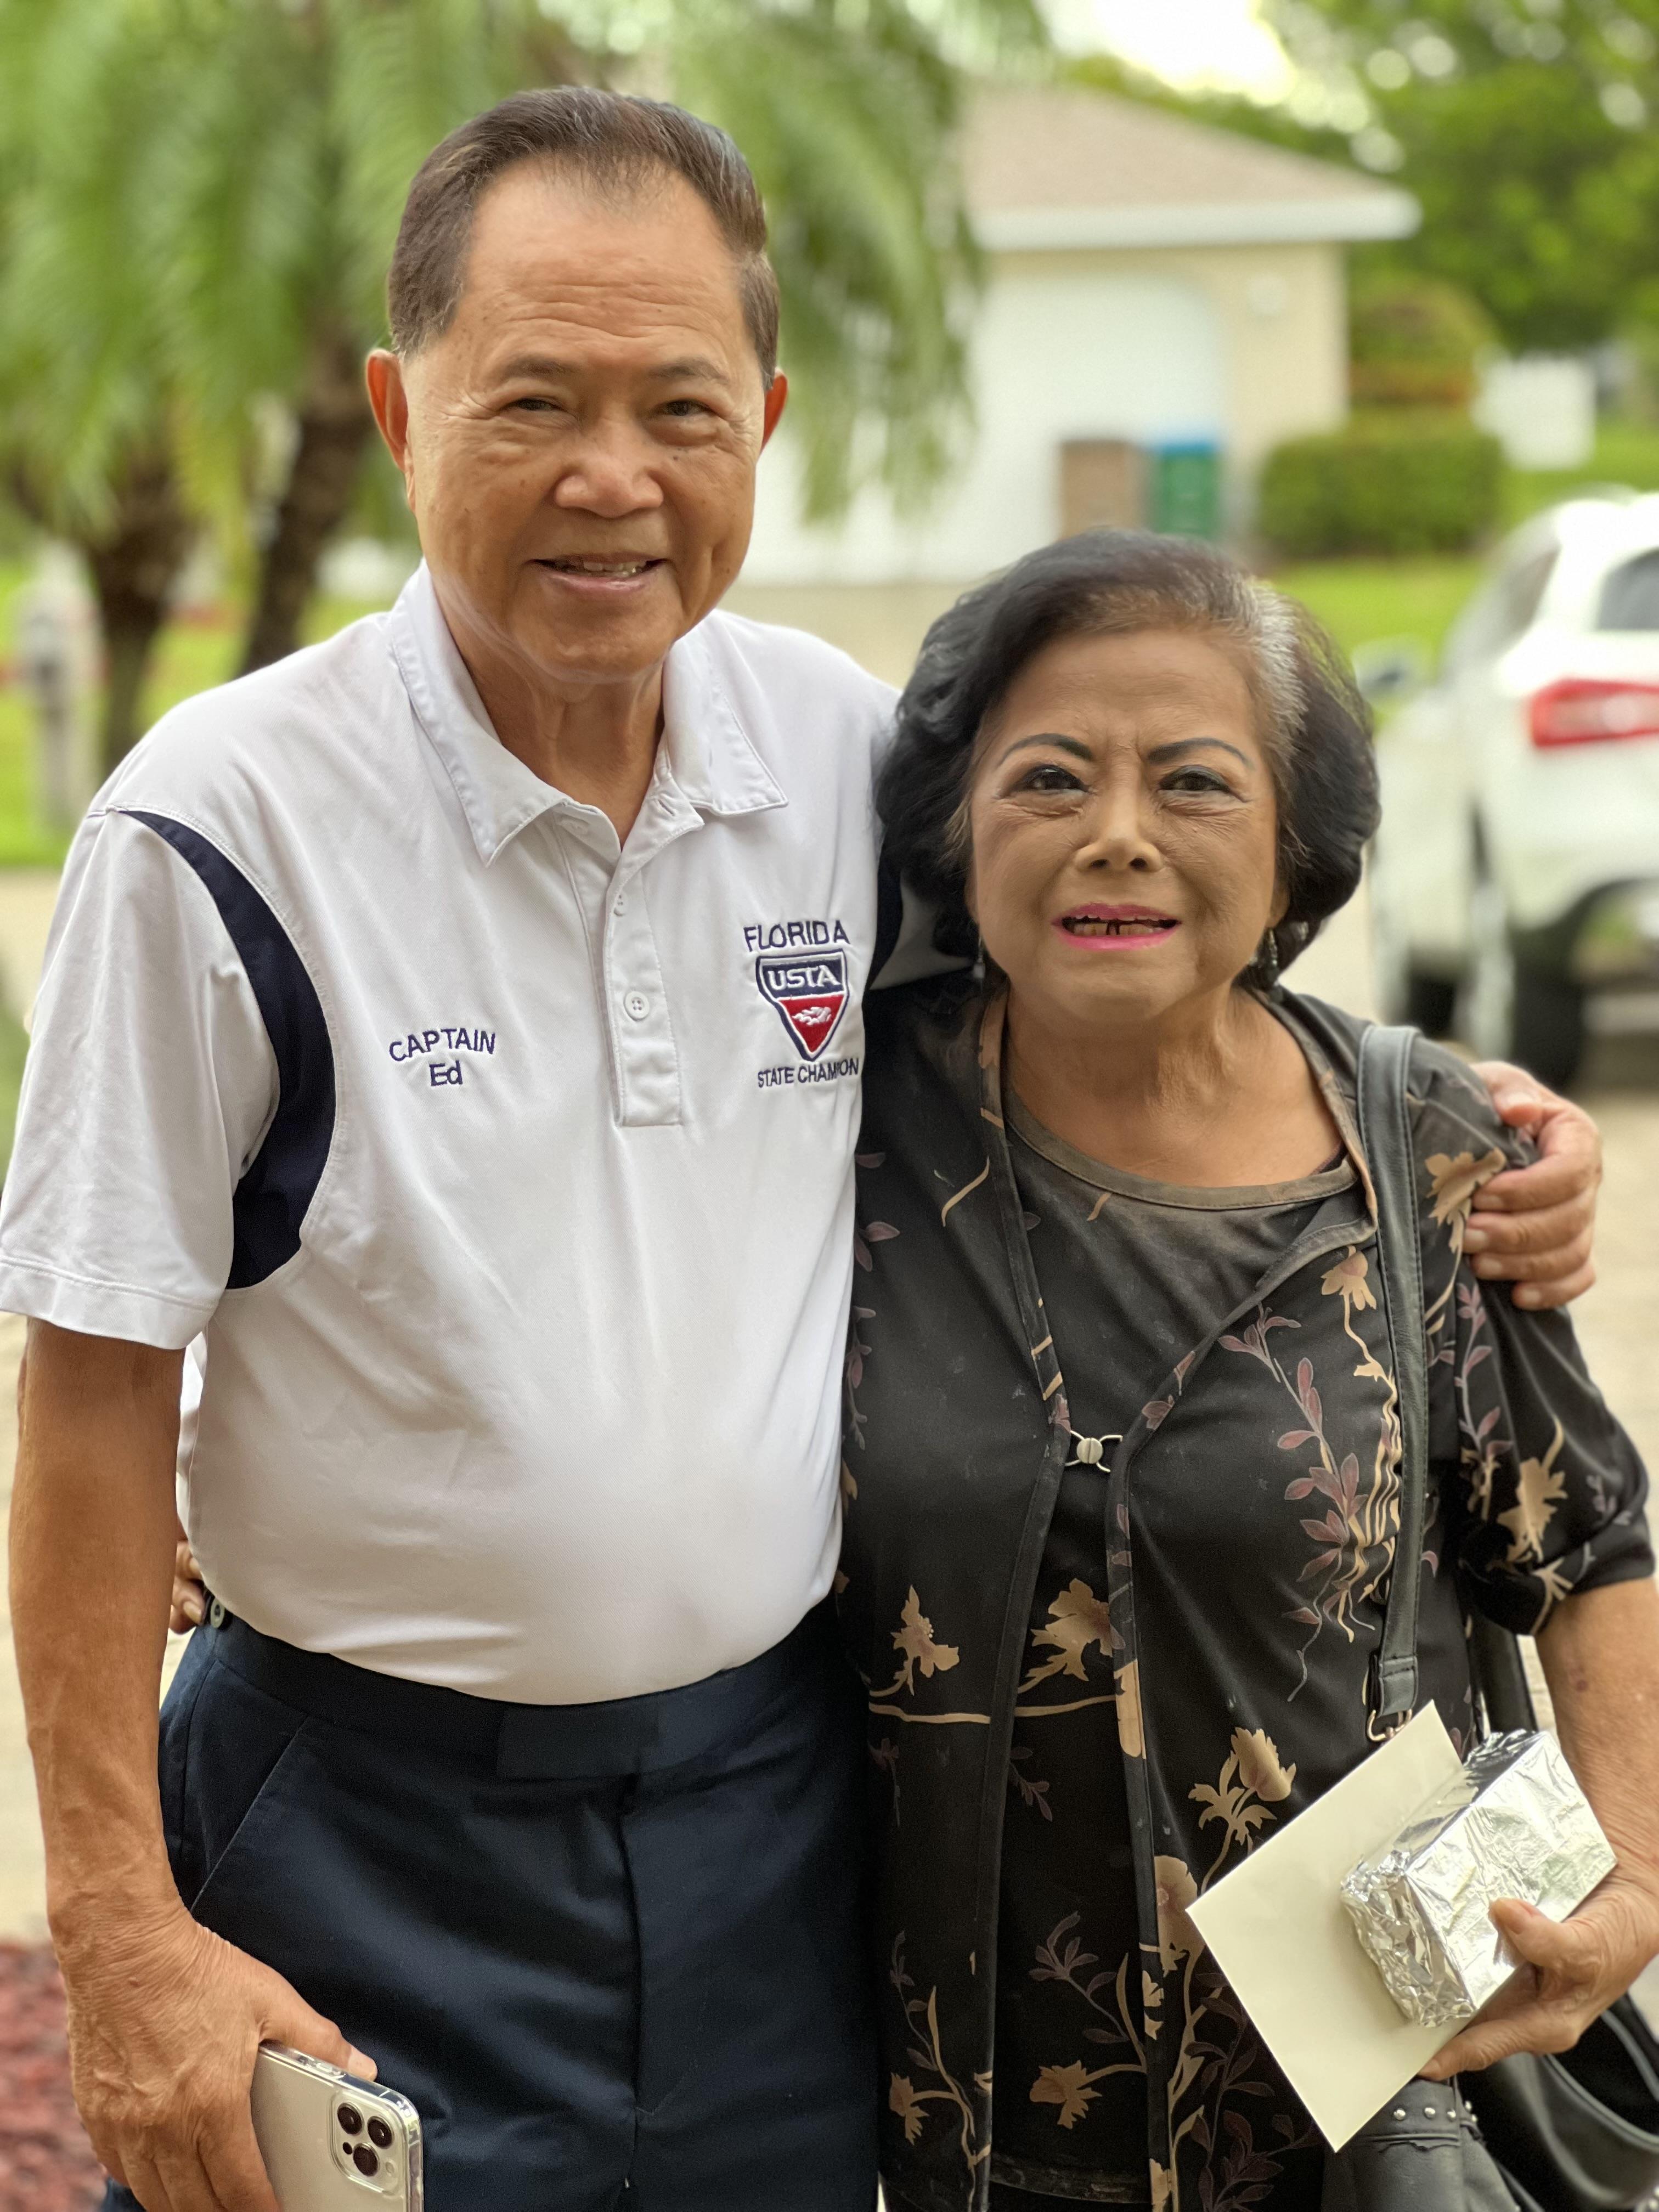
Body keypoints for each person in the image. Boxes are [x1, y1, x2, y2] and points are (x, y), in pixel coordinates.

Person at [0, 87, 1603, 2212]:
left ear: (760, 422)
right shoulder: (218, 835)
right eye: (533, 403)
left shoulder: (842, 765)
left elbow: (1124, 966)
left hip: (784, 1820)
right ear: (398, 415)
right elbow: (92, 1395)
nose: (613, 478)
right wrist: (120, 1934)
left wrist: (1434, 1113)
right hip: (354, 1825)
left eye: (680, 408)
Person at [834, 531, 1659, 2212]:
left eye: (1195, 781)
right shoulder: (838, 1124)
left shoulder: (1419, 1149)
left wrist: (1632, 1882)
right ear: (953, 837)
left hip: (1358, 2101)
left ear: (1295, 854)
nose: (1116, 833)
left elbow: (1589, 1545)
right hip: (925, 2104)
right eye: (1048, 776)